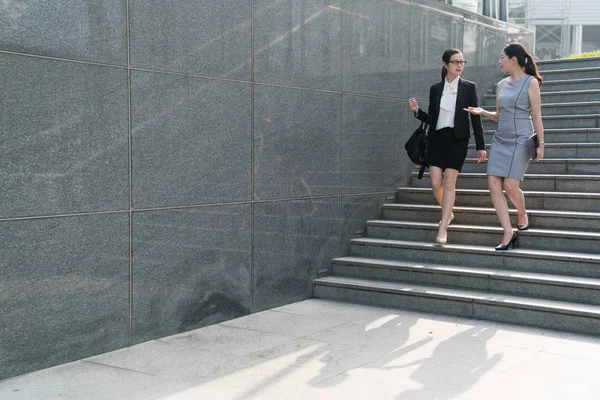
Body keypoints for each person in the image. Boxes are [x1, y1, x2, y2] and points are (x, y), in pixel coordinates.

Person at [465, 42, 545, 250]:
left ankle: (521, 212)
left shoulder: (531, 82)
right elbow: (500, 116)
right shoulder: (501, 85)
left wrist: (541, 143)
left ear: (513, 60)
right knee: (493, 185)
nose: (499, 61)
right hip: (501, 139)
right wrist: (482, 112)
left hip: (521, 138)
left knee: (510, 186)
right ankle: (508, 233)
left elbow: (536, 115)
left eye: (502, 57)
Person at [408, 49, 486, 244]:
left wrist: (480, 146)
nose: (460, 65)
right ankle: (448, 212)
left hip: (458, 140)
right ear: (445, 64)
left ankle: (443, 225)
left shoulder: (469, 87)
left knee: (449, 182)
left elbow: (475, 118)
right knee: (435, 183)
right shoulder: (435, 89)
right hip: (437, 140)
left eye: (462, 61)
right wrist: (418, 111)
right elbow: (433, 119)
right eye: (455, 62)